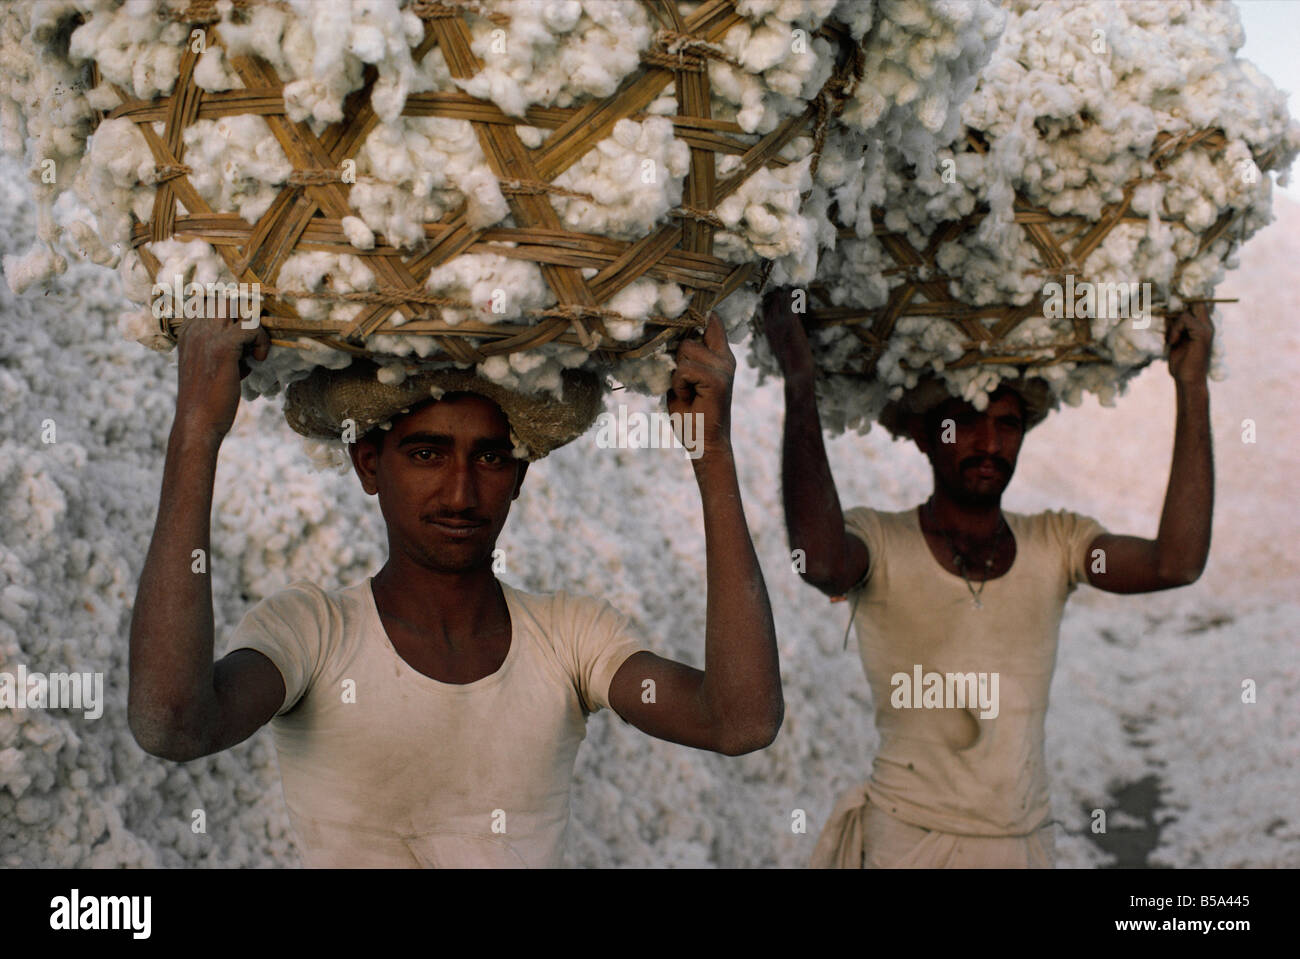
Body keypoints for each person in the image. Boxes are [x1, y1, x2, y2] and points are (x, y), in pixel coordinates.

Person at [127, 308, 782, 868]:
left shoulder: (570, 638)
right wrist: (197, 431)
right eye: (427, 454)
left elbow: (739, 720)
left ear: (519, 477)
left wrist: (712, 454)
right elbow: (173, 724)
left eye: (491, 458)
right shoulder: (313, 632)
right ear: (368, 465)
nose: (462, 491)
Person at [760, 287, 1214, 868]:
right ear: (926, 436)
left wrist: (1191, 385)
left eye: (1008, 425)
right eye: (967, 424)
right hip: (908, 843)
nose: (990, 444)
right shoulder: (881, 541)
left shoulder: (1058, 543)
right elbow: (821, 563)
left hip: (1020, 847)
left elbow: (1175, 563)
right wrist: (800, 384)